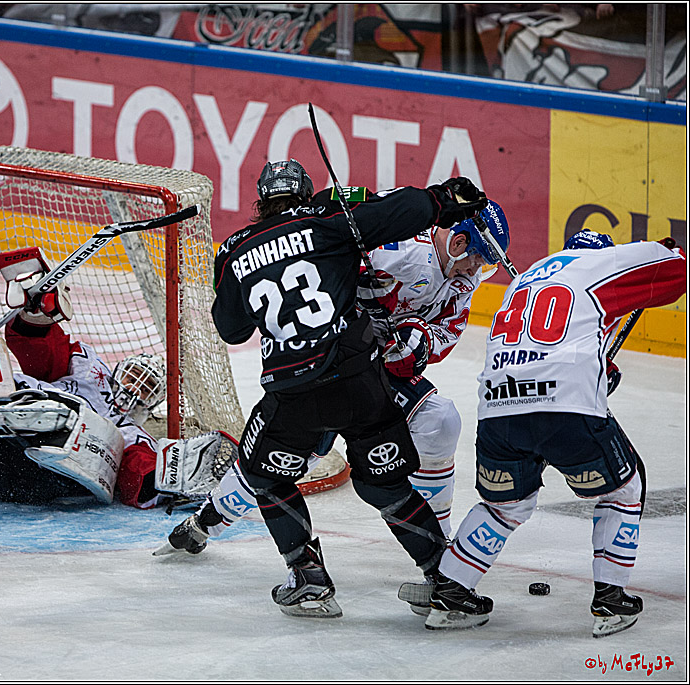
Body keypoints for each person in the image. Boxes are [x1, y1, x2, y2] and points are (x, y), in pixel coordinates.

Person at [197, 158, 490, 618]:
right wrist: (441, 199)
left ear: (260, 202)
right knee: (386, 483)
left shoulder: (233, 252)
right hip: (360, 379)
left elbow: (231, 330)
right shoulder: (328, 220)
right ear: (306, 195)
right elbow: (400, 210)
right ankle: (444, 579)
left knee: (266, 475)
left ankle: (309, 578)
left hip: (294, 388)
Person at [157, 200, 511, 559]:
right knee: (281, 463)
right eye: (478, 258)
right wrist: (360, 304)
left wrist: (416, 346)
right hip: (331, 363)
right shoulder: (395, 245)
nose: (476, 270)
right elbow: (319, 271)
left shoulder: (462, 281)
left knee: (440, 421)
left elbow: (445, 333)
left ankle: (439, 540)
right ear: (459, 243)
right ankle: (205, 522)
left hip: (374, 374)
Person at [422, 229, 686, 636]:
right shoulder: (599, 265)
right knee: (624, 489)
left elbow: (544, 343)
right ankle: (611, 600)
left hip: (498, 412)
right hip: (565, 408)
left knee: (504, 507)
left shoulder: (527, 279)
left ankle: (452, 591)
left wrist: (595, 370)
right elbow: (672, 270)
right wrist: (674, 250)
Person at [0, 247, 235, 509]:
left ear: (150, 406)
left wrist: (165, 481)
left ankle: (49, 431)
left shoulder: (134, 434)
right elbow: (42, 355)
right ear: (118, 370)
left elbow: (136, 471)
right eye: (134, 376)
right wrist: (37, 315)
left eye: (146, 389)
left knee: (85, 445)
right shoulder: (89, 370)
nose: (135, 388)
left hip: (22, 473)